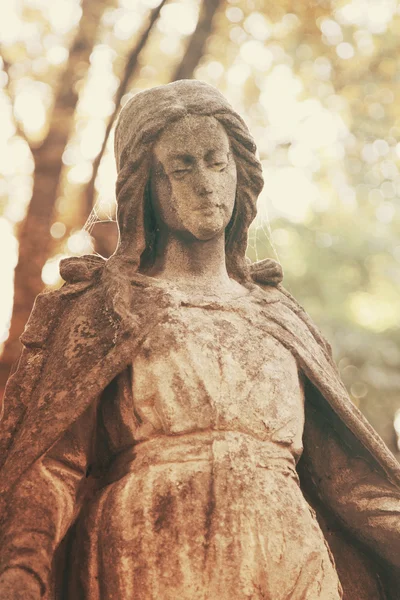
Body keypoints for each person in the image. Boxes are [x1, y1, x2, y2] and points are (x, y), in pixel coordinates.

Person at [0, 80, 399, 599]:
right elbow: (54, 465)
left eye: (217, 162)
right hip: (154, 550)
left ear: (240, 173)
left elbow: (349, 482)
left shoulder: (280, 317)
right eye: (181, 167)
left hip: (288, 556)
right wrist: (21, 570)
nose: (205, 184)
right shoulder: (108, 309)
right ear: (146, 184)